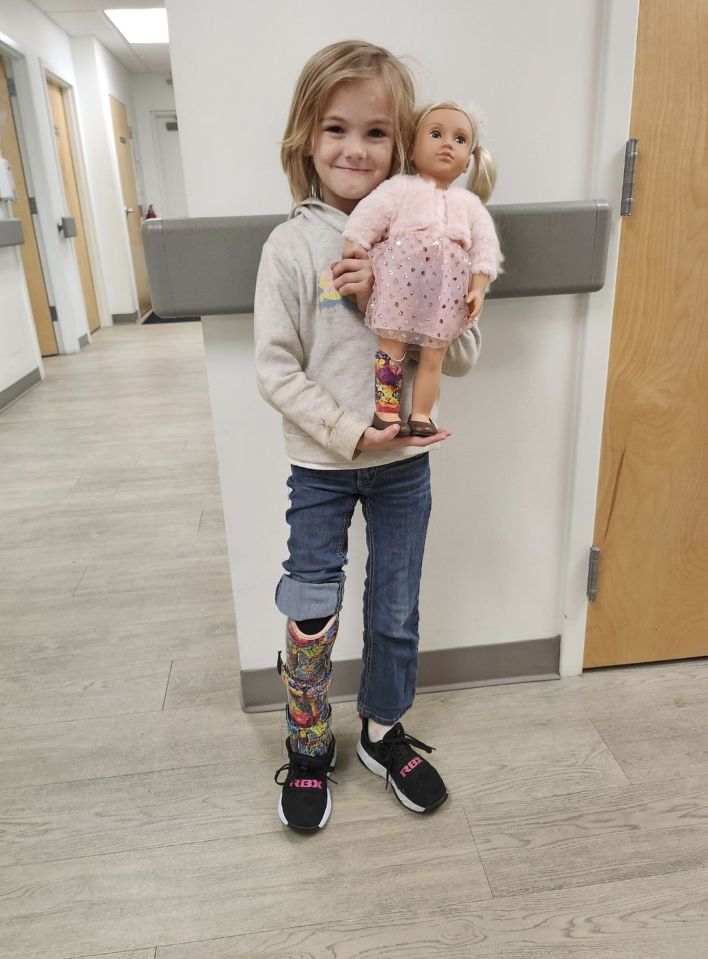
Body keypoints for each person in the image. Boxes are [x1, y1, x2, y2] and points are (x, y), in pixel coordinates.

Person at [254, 41, 483, 832]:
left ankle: (384, 731)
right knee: (311, 606)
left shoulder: (429, 238)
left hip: (405, 468)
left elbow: (466, 351)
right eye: (335, 129)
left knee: (395, 604)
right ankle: (310, 742)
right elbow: (276, 371)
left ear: (407, 140)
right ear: (306, 141)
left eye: (377, 133)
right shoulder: (292, 246)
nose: (355, 150)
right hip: (321, 465)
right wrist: (352, 433)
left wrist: (404, 290)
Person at [343, 101, 501, 436]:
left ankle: (421, 416)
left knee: (434, 357)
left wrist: (479, 287)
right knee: (391, 350)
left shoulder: (470, 206)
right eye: (436, 134)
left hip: (446, 296)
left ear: (467, 162)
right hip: (397, 288)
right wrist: (353, 251)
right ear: (412, 149)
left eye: (460, 140)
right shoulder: (398, 189)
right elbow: (365, 221)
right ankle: (386, 412)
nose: (447, 144)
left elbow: (485, 250)